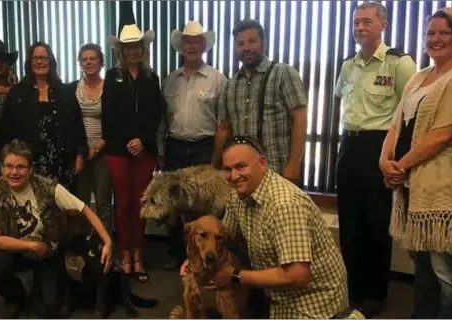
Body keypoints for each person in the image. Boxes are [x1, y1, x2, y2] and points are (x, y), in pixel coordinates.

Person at [183, 136, 354, 319]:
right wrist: (193, 260)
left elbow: (297, 276)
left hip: (311, 304)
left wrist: (235, 276)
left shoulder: (286, 205)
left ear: (262, 163)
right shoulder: (238, 195)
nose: (233, 176)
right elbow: (225, 237)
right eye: (228, 169)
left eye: (241, 166)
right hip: (273, 296)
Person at [333, 2, 417, 315]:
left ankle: (375, 293)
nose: (359, 27)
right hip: (348, 146)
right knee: (350, 223)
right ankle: (352, 288)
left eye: (366, 21)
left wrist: (399, 160)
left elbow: (409, 116)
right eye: (356, 22)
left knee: (376, 223)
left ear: (383, 24)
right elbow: (341, 105)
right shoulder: (347, 65)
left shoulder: (399, 63)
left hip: (379, 147)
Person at [0, 140, 113, 318]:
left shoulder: (48, 187)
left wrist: (108, 241)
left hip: (48, 253)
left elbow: (85, 210)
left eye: (20, 167)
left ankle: (38, 288)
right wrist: (31, 246)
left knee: (49, 310)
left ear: (31, 168)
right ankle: (15, 297)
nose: (14, 172)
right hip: (13, 251)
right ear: (2, 168)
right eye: (8, 166)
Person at [380, 8, 452, 318]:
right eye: (430, 33)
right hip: (411, 185)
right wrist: (384, 160)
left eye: (443, 33)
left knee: (443, 270)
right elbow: (396, 125)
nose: (434, 39)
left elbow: (441, 135)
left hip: (441, 187)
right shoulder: (420, 77)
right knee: (421, 264)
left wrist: (401, 166)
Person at [159, 20, 228, 270]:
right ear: (181, 47)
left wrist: (216, 160)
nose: (191, 46)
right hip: (175, 147)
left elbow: (223, 123)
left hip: (204, 147)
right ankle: (181, 255)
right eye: (187, 41)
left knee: (203, 205)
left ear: (204, 46)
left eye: (196, 42)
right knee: (177, 205)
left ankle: (205, 258)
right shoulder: (170, 80)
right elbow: (163, 120)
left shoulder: (217, 79)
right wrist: (160, 151)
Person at [102, 24, 164, 283]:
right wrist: (130, 140)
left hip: (145, 150)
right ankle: (125, 254)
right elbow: (109, 115)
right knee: (123, 204)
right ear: (121, 50)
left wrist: (143, 140)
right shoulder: (112, 76)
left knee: (141, 203)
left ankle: (139, 255)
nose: (133, 51)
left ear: (143, 48)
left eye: (137, 46)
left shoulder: (152, 78)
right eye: (128, 47)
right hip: (118, 150)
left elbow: (156, 114)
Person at [213, 19, 308, 186]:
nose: (247, 48)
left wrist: (293, 165)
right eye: (241, 43)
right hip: (242, 176)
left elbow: (300, 119)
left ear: (263, 43)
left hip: (278, 171)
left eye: (252, 41)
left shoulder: (283, 73)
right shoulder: (230, 85)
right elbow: (224, 129)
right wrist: (215, 167)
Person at [0, 42, 87, 192]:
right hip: (27, 164)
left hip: (62, 164)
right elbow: (6, 130)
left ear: (51, 61)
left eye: (44, 58)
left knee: (62, 208)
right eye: (35, 58)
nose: (40, 62)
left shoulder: (65, 92)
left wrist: (80, 155)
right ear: (29, 62)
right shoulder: (17, 93)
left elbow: (77, 125)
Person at [69, 43, 113, 232]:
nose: (89, 62)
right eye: (84, 59)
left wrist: (100, 144)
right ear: (80, 63)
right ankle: (82, 249)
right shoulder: (71, 89)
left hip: (103, 153)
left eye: (93, 58)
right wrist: (81, 151)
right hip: (79, 154)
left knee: (103, 203)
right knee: (79, 203)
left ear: (101, 62)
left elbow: (116, 121)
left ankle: (105, 247)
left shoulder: (110, 89)